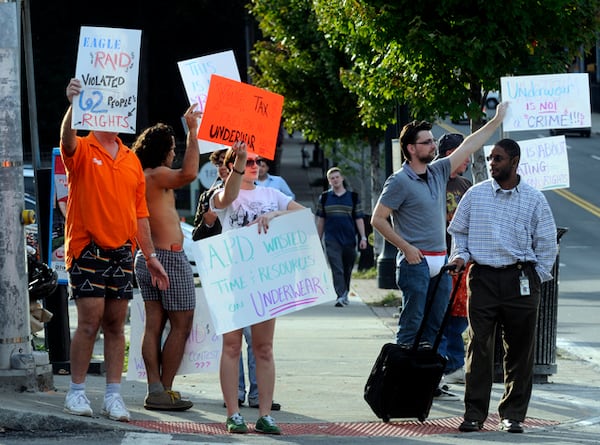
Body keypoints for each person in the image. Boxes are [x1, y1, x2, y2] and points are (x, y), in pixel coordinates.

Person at [60, 78, 169, 422]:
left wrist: (150, 257)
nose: (114, 114)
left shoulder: (130, 160)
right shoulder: (82, 147)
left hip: (122, 252)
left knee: (115, 325)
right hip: (87, 247)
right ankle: (76, 393)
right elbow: (66, 141)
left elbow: (140, 215)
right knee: (89, 322)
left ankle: (113, 396)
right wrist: (73, 105)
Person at [370, 102, 508, 351]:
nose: (434, 146)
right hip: (416, 264)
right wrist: (406, 248)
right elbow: (378, 219)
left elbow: (468, 145)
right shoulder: (399, 181)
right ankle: (403, 383)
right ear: (411, 148)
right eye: (427, 142)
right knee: (412, 326)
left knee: (435, 327)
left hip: (441, 262)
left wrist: (496, 121)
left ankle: (429, 384)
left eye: (433, 141)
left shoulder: (438, 171)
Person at [448, 138, 558, 434]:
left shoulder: (534, 199)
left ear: (514, 161)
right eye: (491, 158)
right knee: (479, 347)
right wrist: (460, 256)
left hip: (520, 280)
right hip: (482, 279)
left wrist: (537, 275)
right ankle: (474, 414)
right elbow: (459, 232)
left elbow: (547, 242)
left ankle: (513, 415)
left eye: (498, 158)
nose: (492, 163)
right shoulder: (476, 194)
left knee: (520, 351)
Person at [212, 142, 304, 435]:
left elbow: (303, 215)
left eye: (256, 160)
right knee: (231, 346)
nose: (254, 165)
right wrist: (237, 163)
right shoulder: (224, 193)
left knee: (264, 349)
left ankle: (265, 414)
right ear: (231, 166)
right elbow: (227, 197)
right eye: (246, 161)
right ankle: (233, 413)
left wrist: (275, 215)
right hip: (233, 279)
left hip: (265, 280)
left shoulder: (272, 194)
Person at [131, 104, 202, 411]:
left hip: (147, 256)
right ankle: (166, 389)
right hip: (168, 258)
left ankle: (155, 388)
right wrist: (193, 131)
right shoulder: (157, 174)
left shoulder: (142, 174)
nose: (174, 153)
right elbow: (189, 173)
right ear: (162, 151)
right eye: (173, 149)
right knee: (182, 324)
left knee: (154, 326)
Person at [437, 133, 471, 385]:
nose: (468, 159)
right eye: (463, 153)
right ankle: (447, 364)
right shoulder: (432, 181)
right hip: (437, 259)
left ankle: (454, 363)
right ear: (451, 153)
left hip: (461, 261)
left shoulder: (466, 185)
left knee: (459, 315)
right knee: (439, 314)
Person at [316, 167, 368, 307]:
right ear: (329, 181)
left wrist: (363, 237)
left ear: (342, 178)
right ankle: (340, 295)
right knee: (336, 267)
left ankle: (345, 292)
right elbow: (321, 220)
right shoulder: (325, 198)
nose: (335, 180)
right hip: (332, 239)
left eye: (337, 177)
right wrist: (317, 239)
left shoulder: (352, 197)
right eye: (332, 178)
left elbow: (358, 218)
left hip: (349, 239)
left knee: (347, 267)